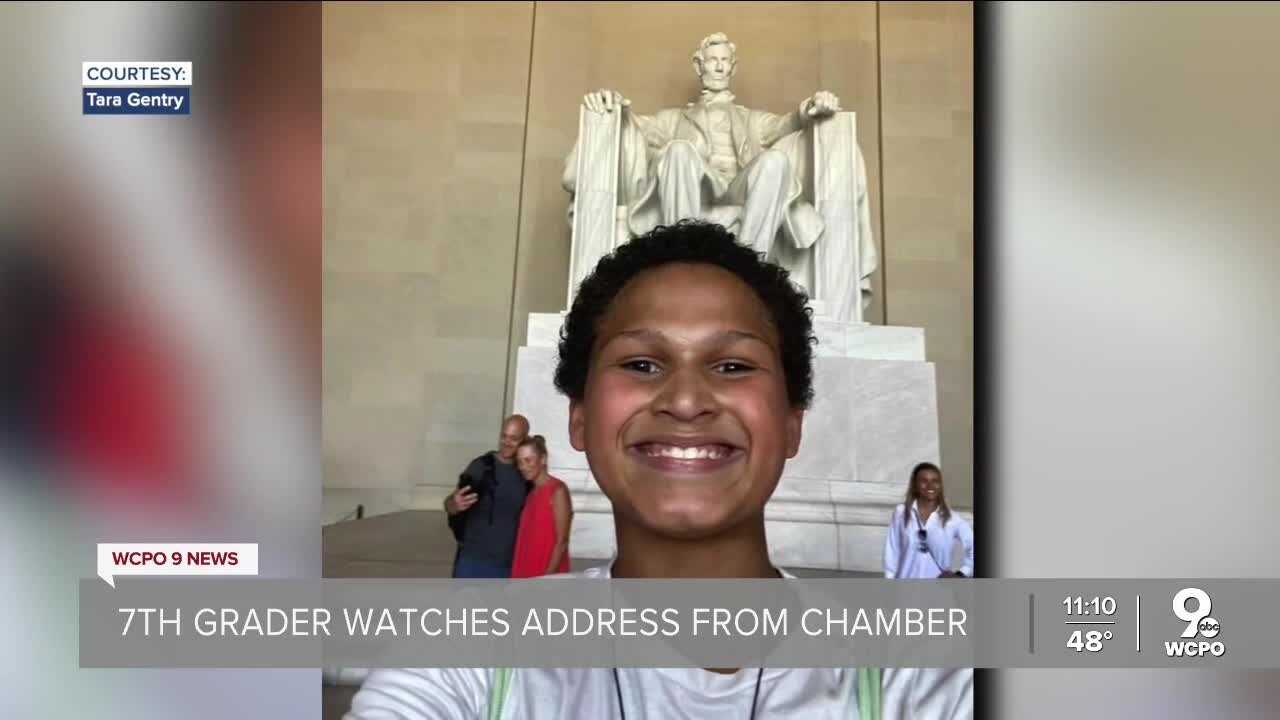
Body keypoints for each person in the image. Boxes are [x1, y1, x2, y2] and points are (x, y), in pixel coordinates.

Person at [346, 221, 971, 718]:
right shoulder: (467, 653)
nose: (686, 399)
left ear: (791, 424)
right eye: (642, 363)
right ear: (580, 419)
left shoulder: (909, 673)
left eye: (732, 366)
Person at [444, 414, 531, 579]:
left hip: (507, 565)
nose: (506, 443)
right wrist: (453, 504)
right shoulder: (481, 467)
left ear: (524, 439)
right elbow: (450, 504)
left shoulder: (526, 473)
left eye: (513, 438)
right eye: (504, 436)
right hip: (472, 561)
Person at [883, 462, 975, 579]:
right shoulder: (901, 512)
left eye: (935, 481)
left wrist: (961, 573)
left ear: (940, 485)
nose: (930, 486)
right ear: (915, 485)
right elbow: (892, 550)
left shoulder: (952, 519)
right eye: (924, 481)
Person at [510, 435, 573, 578]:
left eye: (528, 460)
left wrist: (546, 579)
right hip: (526, 574)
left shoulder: (558, 490)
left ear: (543, 459)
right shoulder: (531, 495)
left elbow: (562, 541)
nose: (523, 467)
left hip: (545, 578)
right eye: (519, 462)